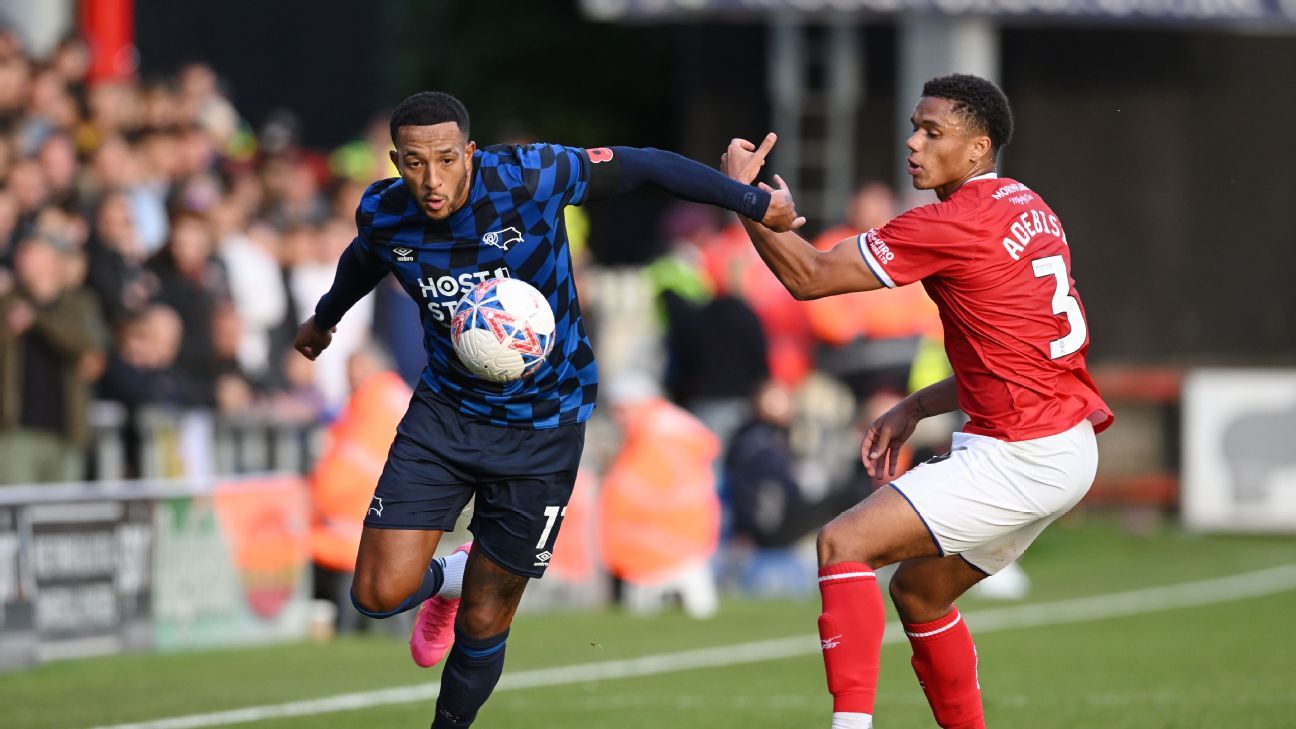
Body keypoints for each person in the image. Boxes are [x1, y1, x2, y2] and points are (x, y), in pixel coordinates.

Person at [293, 91, 797, 729]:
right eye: (415, 163)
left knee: (486, 615)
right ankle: (447, 578)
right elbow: (367, 254)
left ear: (470, 152)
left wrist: (751, 200)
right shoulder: (384, 209)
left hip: (545, 425)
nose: (432, 179)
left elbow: (644, 165)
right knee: (376, 593)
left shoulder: (531, 176)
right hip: (445, 415)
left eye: (447, 159)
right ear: (396, 162)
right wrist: (325, 319)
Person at [721, 74, 1113, 729]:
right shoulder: (1029, 204)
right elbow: (1017, 356)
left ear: (978, 148)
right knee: (921, 593)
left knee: (843, 542)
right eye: (914, 128)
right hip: (1067, 445)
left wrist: (744, 198)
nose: (913, 143)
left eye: (933, 132)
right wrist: (917, 406)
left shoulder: (954, 221)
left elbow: (810, 276)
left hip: (1020, 453)